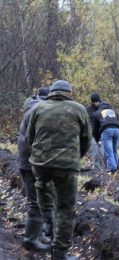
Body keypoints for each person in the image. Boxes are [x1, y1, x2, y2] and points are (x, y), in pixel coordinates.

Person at [26, 80, 91, 260]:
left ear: (52, 92)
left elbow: (29, 137)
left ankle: (48, 221)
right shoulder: (79, 109)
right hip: (66, 165)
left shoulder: (38, 108)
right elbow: (86, 140)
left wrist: (39, 156)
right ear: (69, 92)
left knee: (44, 196)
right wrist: (74, 157)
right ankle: (59, 254)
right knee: (65, 209)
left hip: (40, 163)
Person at [18, 87, 52, 252]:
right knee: (36, 201)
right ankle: (31, 239)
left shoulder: (34, 109)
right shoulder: (38, 112)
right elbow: (37, 142)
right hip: (32, 165)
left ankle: (37, 235)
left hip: (30, 162)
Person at [93, 102, 119, 173]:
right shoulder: (114, 111)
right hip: (117, 130)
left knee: (109, 152)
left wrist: (96, 139)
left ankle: (113, 170)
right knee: (115, 150)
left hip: (106, 130)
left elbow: (95, 129)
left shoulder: (98, 113)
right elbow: (118, 121)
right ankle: (116, 166)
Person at [86, 93, 105, 171]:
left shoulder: (103, 108)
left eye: (97, 101)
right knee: (95, 151)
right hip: (92, 133)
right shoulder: (88, 110)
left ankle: (104, 168)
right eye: (94, 102)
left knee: (103, 151)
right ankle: (97, 169)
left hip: (102, 132)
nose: (96, 103)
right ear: (92, 102)